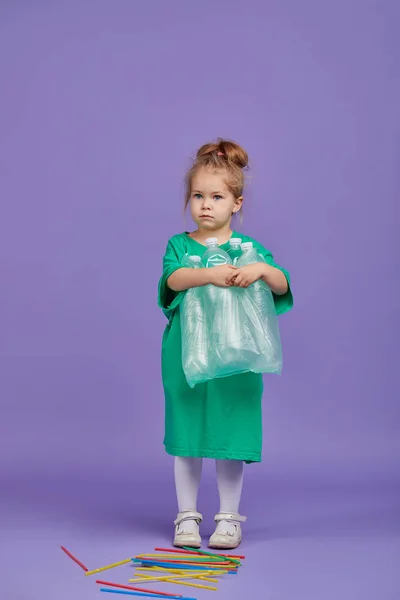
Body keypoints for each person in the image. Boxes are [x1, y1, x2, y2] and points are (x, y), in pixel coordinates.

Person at [158, 139, 293, 549]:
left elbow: (282, 284)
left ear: (236, 203)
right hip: (187, 355)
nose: (205, 204)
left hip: (237, 358)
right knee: (188, 434)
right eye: (198, 195)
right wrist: (211, 275)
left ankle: (229, 518)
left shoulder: (249, 250)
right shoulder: (180, 246)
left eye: (217, 196)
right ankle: (186, 517)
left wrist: (262, 270)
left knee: (230, 433)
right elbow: (173, 281)